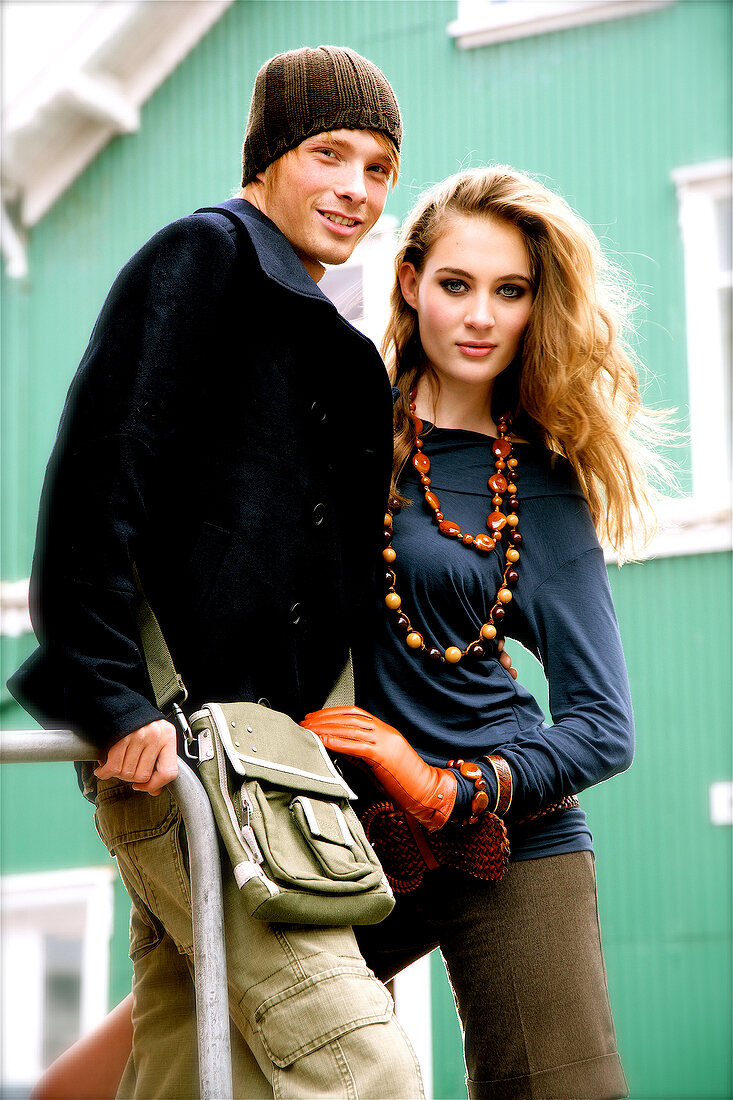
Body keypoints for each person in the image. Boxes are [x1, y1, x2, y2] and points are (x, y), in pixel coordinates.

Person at [10, 45, 426, 1100]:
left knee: (196, 1070)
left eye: (378, 168)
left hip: (274, 768)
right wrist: (111, 700)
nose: (356, 189)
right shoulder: (205, 259)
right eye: (330, 153)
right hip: (185, 749)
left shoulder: (332, 341)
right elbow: (98, 481)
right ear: (270, 154)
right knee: (358, 1063)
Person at [301, 165, 672, 1099]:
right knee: (186, 1036)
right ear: (409, 282)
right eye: (456, 285)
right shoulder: (333, 427)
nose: (479, 317)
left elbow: (602, 724)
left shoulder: (538, 483)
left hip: (510, 836)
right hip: (338, 839)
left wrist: (441, 785)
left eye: (509, 292)